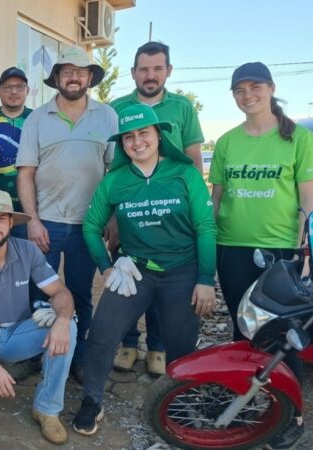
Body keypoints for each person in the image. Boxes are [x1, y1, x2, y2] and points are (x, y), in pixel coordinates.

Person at [72, 103, 216, 436]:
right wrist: (107, 268)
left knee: (181, 345)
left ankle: (181, 401)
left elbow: (206, 227)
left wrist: (206, 279)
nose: (137, 142)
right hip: (133, 271)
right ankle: (92, 400)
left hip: (181, 271)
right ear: (122, 144)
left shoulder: (184, 174)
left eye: (144, 133)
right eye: (129, 137)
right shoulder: (116, 180)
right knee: (102, 334)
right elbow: (91, 227)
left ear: (159, 135)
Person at [209, 62, 313, 449]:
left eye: (255, 87)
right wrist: (208, 243)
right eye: (239, 90)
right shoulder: (226, 142)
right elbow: (216, 199)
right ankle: (243, 399)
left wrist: (306, 249)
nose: (247, 95)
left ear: (271, 88)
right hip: (233, 247)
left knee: (284, 333)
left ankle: (293, 414)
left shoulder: (300, 137)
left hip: (281, 251)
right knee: (242, 327)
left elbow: (308, 197)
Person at [16, 46, 118, 379]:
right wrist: (32, 221)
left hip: (88, 224)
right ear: (57, 77)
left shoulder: (107, 116)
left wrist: (112, 217)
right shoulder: (37, 118)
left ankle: (77, 355)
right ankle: (34, 351)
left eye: (81, 71)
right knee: (38, 290)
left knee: (80, 293)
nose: (74, 77)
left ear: (90, 77)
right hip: (46, 223)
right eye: (67, 71)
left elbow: (115, 172)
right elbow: (26, 173)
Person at [0, 190, 77, 445]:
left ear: (10, 222)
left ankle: (47, 409)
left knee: (69, 326)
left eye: (1, 218)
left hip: (21, 332)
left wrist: (62, 320)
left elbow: (60, 292)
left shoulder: (28, 250)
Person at [109, 41, 206, 375]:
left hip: (171, 214)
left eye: (157, 68)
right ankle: (127, 342)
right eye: (143, 69)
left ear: (168, 70)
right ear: (133, 72)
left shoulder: (182, 107)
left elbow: (193, 159)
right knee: (129, 276)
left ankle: (157, 347)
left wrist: (194, 209)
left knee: (162, 278)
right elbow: (112, 165)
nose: (150, 75)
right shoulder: (117, 107)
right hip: (130, 213)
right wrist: (113, 215)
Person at [0, 66, 32, 239]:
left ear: (27, 90)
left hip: (29, 211)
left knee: (25, 254)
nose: (14, 92)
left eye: (19, 87)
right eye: (7, 87)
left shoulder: (38, 120)